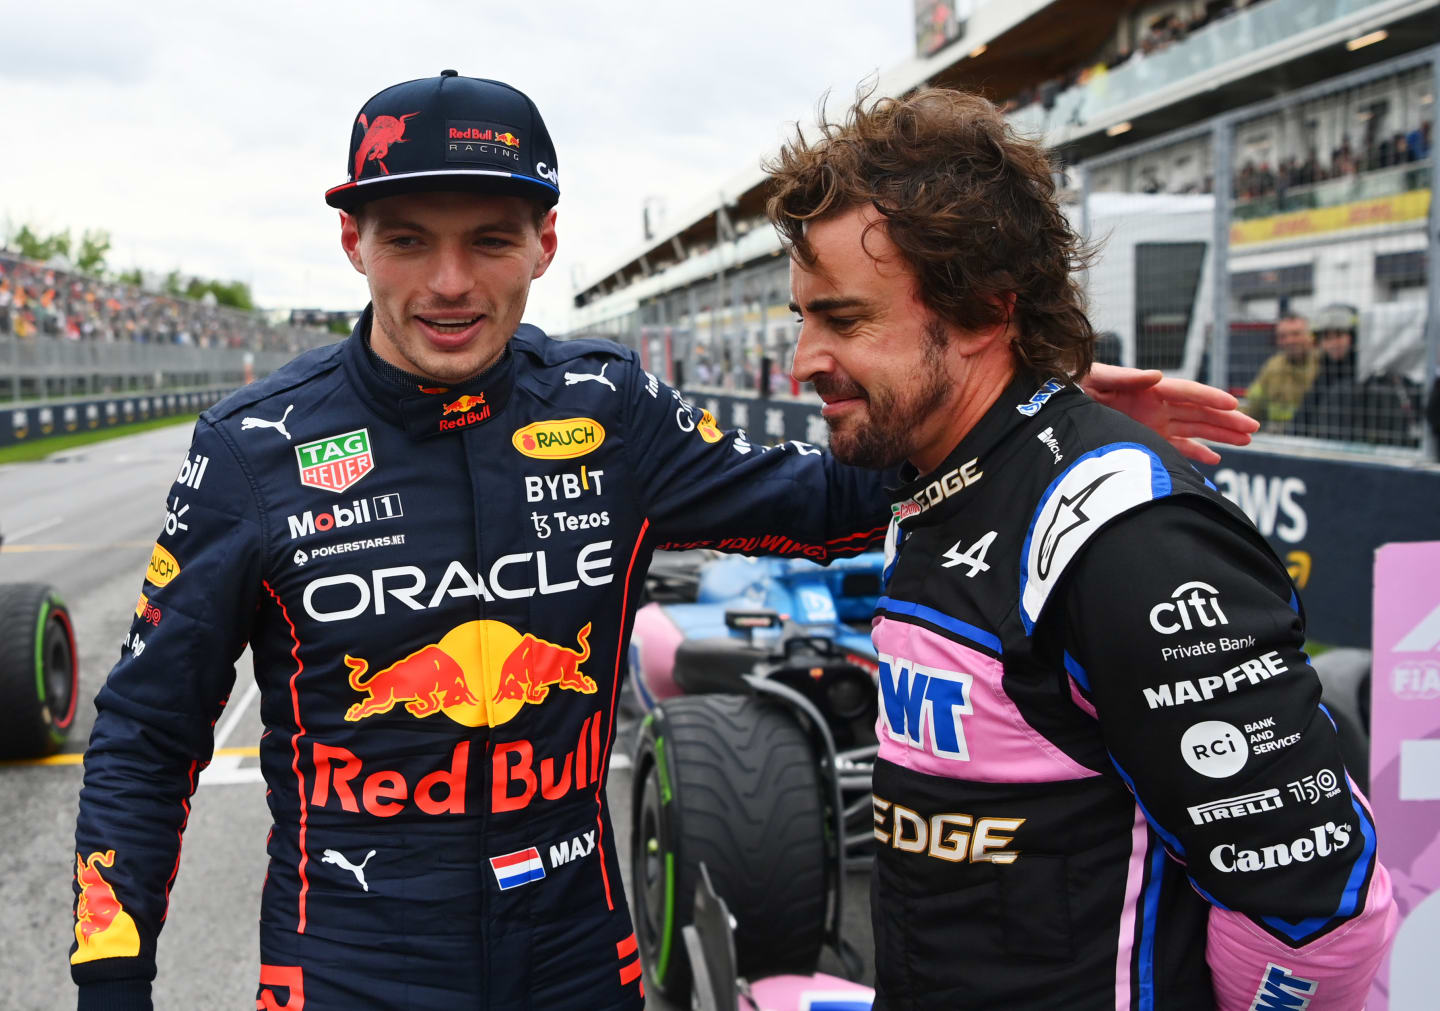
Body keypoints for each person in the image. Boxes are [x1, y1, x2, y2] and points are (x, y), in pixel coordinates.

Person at [70, 72, 1254, 1011]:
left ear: (543, 241)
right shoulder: (252, 447)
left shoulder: (605, 409)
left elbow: (827, 496)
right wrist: (112, 984)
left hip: (578, 956)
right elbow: (143, 735)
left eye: (489, 239)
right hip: (353, 966)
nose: (447, 282)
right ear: (351, 246)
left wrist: (1029, 405)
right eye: (405, 239)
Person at [768, 88, 1395, 1009]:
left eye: (845, 320)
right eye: (803, 321)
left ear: (984, 310)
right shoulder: (937, 469)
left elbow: (1318, 917)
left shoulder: (1125, 534)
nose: (802, 362)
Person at [1289, 304, 1360, 441]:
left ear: (1352, 337)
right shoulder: (1323, 375)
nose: (1333, 343)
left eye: (1339, 335)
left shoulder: (1366, 377)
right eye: (1327, 338)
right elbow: (1302, 419)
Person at [1243, 313, 1317, 430]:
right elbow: (1254, 405)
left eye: (1296, 334)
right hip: (1278, 435)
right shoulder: (1272, 366)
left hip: (1315, 434)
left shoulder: (1322, 364)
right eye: (1283, 336)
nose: (1290, 340)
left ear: (1310, 336)